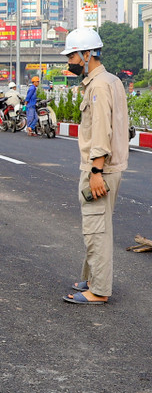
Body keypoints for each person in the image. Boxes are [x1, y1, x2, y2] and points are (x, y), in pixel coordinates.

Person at [61, 28, 129, 304]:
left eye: (73, 56)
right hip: (112, 166)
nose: (70, 62)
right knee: (98, 224)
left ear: (87, 54)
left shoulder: (99, 86)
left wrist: (96, 171)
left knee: (96, 229)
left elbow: (102, 131)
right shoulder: (109, 81)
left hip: (102, 168)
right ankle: (91, 279)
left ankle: (99, 290)